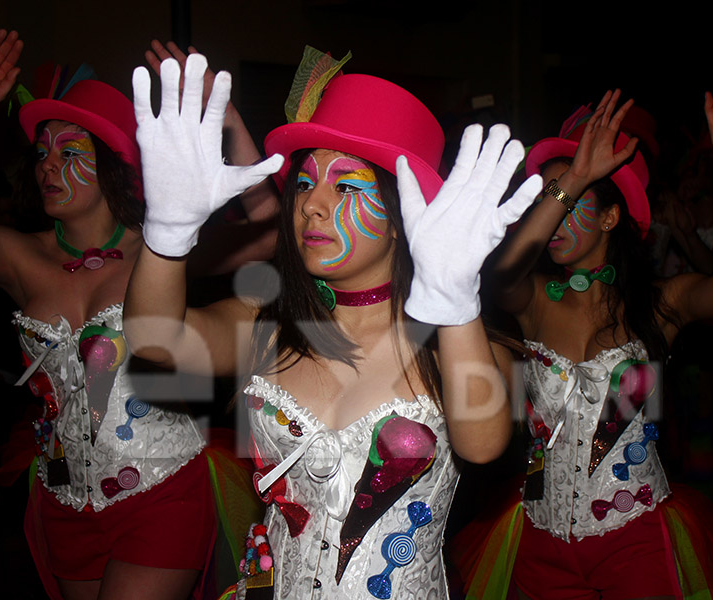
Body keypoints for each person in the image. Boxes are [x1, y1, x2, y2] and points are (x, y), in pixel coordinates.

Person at [123, 51, 540, 598]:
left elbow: (484, 445)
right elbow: (155, 344)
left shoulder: (458, 346)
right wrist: (168, 234)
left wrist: (456, 300)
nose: (311, 206)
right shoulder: (266, 324)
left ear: (401, 215)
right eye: (303, 184)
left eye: (345, 187)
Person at [0, 30, 268, 600]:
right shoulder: (17, 257)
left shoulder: (162, 245)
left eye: (70, 152)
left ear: (114, 167)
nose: (49, 165)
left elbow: (268, 225)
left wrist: (227, 121)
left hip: (163, 489)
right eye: (43, 152)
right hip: (64, 500)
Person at [462, 68, 713, 600]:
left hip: (636, 542)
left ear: (609, 219)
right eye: (549, 202)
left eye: (574, 203)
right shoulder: (532, 300)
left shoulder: (660, 303)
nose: (554, 218)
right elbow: (495, 275)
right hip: (538, 541)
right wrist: (574, 180)